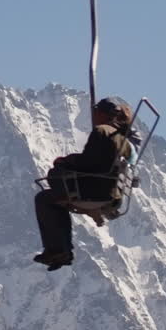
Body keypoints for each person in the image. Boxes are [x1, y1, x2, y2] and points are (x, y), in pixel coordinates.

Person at [33, 97, 134, 271]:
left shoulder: (101, 132)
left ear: (101, 114)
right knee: (58, 201)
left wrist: (66, 161)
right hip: (112, 194)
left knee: (45, 197)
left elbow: (89, 162)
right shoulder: (124, 140)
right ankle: (60, 250)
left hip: (93, 190)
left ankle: (58, 250)